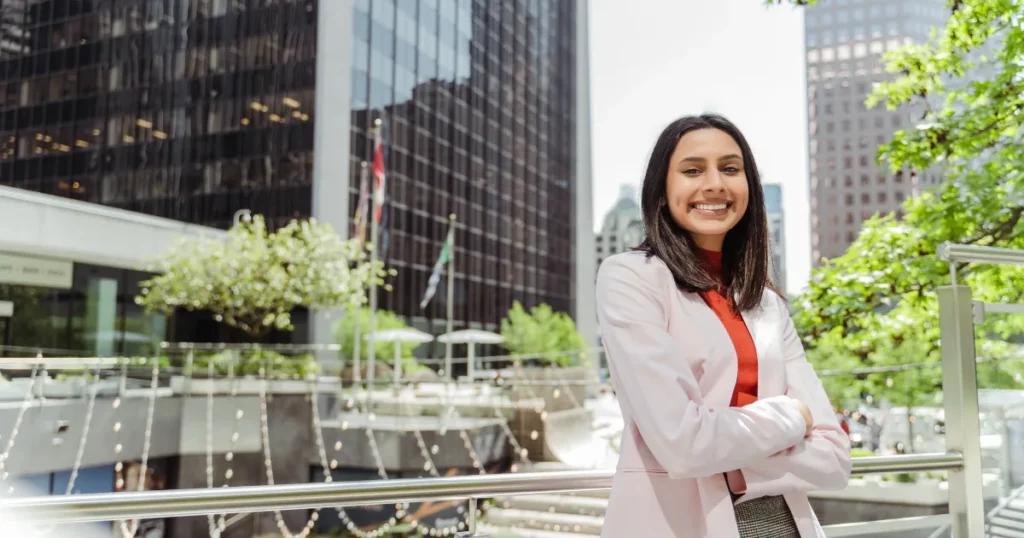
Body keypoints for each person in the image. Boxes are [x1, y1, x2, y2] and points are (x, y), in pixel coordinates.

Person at [595, 114, 851, 537]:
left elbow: (835, 458)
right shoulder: (631, 277)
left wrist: (733, 461)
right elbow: (682, 443)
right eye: (693, 170)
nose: (714, 183)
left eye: (730, 169)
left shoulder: (767, 304)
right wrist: (791, 415)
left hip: (781, 525)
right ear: (661, 191)